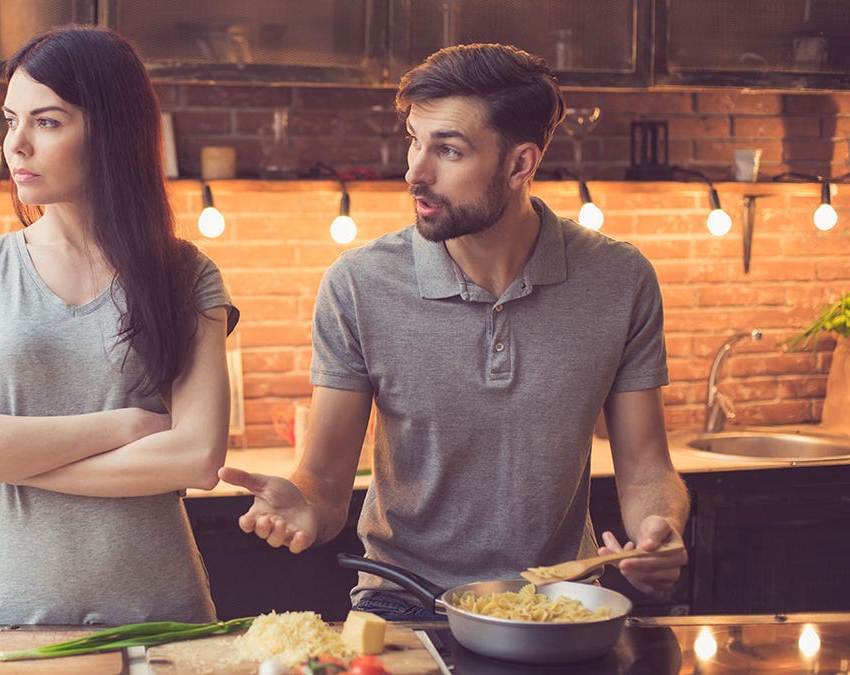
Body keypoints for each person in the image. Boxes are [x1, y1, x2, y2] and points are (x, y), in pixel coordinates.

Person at [218, 43, 689, 621]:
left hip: (556, 602)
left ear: (520, 165)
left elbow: (647, 467)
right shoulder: (359, 284)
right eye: (415, 140)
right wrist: (305, 508)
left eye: (448, 149)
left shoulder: (619, 280)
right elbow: (323, 481)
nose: (415, 171)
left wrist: (657, 529)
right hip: (401, 598)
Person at [0, 25, 238, 626]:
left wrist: (6, 449)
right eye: (11, 120)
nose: (16, 145)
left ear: (113, 132)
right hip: (18, 622)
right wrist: (129, 425)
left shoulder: (187, 275)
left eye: (48, 121)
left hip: (165, 619)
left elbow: (196, 458)